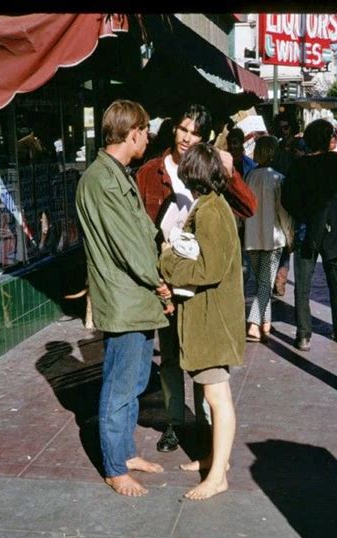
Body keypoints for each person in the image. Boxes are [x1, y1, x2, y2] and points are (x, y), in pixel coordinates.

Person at [136, 104, 256, 454]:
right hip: (168, 277)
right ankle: (175, 422)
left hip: (198, 282)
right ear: (174, 129)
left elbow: (248, 207)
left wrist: (228, 170)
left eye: (195, 133)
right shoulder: (150, 171)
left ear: (204, 139)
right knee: (170, 356)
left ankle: (206, 427)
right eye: (183, 129)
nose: (187, 137)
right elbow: (142, 227)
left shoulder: (210, 177)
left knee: (204, 358)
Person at [75, 99, 173, 497]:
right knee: (119, 385)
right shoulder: (102, 180)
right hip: (126, 297)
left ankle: (125, 452)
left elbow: (139, 235)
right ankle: (115, 468)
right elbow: (128, 245)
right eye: (146, 131)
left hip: (136, 298)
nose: (148, 138)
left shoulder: (116, 174)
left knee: (133, 380)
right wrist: (159, 280)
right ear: (132, 132)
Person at [159, 142, 245, 500]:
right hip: (213, 317)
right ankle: (214, 459)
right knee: (214, 395)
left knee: (216, 396)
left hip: (213, 321)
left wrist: (168, 263)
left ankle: (218, 476)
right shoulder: (212, 206)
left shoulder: (210, 211)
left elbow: (209, 268)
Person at [281, 118, 337, 351]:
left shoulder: (299, 166)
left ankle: (303, 334)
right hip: (332, 232)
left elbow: (287, 198)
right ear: (327, 139)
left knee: (303, 284)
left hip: (307, 231)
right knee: (336, 281)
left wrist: (304, 216)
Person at [243, 135, 294, 342]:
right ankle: (254, 324)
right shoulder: (277, 178)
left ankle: (266, 323)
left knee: (262, 282)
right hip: (273, 238)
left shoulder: (249, 177)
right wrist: (290, 237)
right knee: (266, 284)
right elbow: (283, 213)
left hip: (252, 237)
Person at [270, 114, 307, 297]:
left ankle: (281, 280)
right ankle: (277, 278)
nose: (284, 131)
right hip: (277, 196)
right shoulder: (277, 146)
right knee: (280, 239)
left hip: (293, 198)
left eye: (286, 127)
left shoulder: (300, 146)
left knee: (289, 240)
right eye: (281, 128)